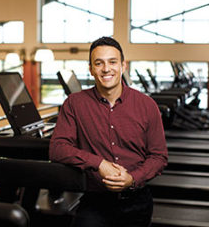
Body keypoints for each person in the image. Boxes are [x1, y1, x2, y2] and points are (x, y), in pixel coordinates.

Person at [49, 36, 168, 227]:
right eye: (99, 63)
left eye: (112, 62)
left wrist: (132, 178)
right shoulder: (74, 103)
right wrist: (99, 163)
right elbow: (58, 148)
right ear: (91, 68)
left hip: (137, 201)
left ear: (123, 65)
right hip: (94, 201)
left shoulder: (147, 105)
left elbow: (159, 156)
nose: (106, 69)